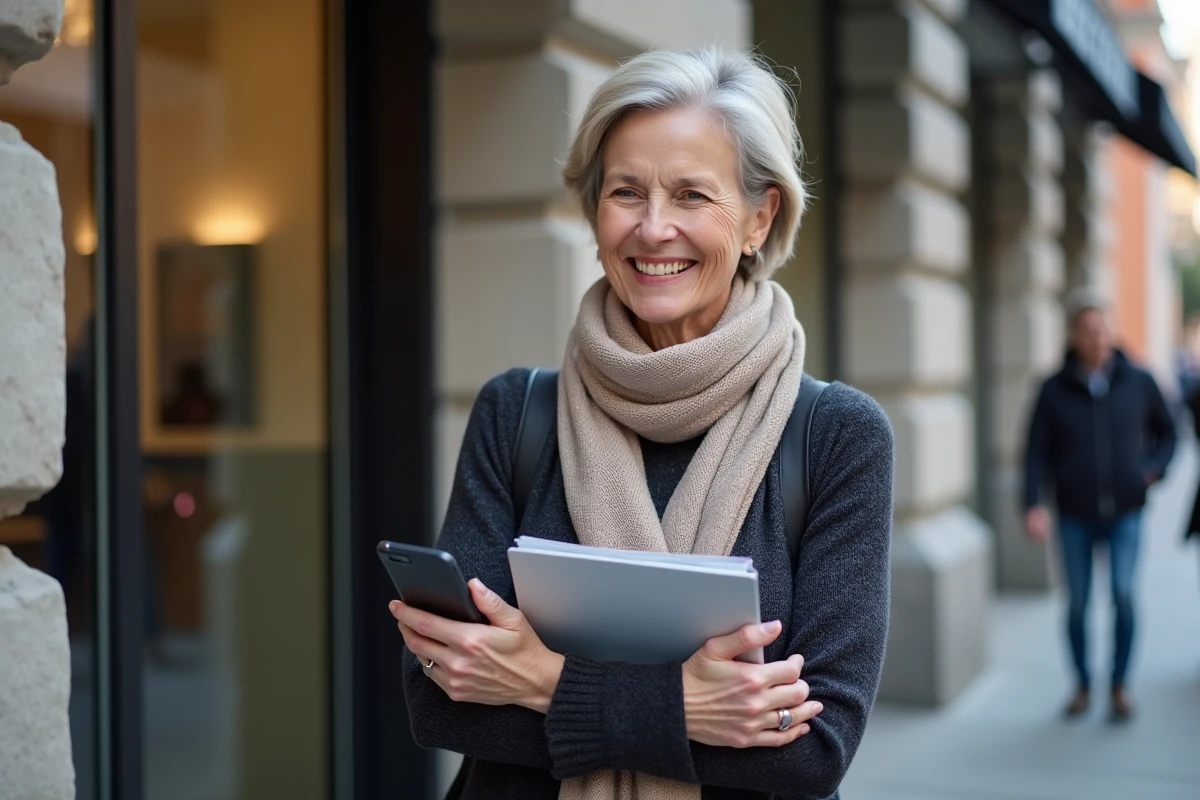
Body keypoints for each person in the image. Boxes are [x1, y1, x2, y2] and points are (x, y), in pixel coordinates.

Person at [391, 48, 894, 800]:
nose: (654, 228)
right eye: (626, 192)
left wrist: (539, 679)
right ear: (596, 215)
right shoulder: (515, 414)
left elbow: (812, 750)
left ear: (760, 217)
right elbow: (440, 700)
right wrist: (690, 708)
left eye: (692, 195)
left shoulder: (835, 437)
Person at [1024, 288, 1176, 722]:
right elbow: (1035, 452)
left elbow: (1169, 433)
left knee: (1124, 596)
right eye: (1088, 331)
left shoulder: (1140, 381)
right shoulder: (1053, 390)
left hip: (1127, 511)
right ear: (1074, 336)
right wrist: (1033, 504)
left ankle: (1120, 684)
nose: (1097, 338)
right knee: (1077, 604)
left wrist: (1152, 469)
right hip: (1074, 515)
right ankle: (1083, 685)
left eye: (1103, 329)